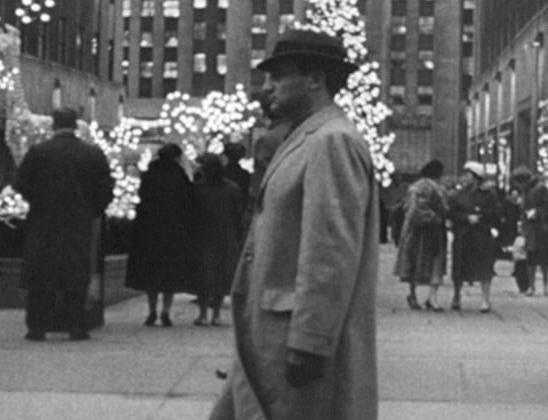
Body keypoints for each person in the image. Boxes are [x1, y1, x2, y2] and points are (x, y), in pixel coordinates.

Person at [209, 29, 379, 420]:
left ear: (316, 79)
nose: (266, 88)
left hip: (292, 343)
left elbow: (330, 248)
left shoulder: (331, 141)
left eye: (277, 76)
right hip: (267, 336)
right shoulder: (304, 137)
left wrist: (311, 340)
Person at [14, 107, 113, 341]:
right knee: (75, 274)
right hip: (78, 222)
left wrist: (37, 201)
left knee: (41, 274)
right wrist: (91, 210)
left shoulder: (39, 152)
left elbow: (20, 182)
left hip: (43, 221)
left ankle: (37, 326)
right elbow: (106, 189)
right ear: (76, 124)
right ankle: (76, 325)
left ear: (53, 125)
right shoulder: (92, 154)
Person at [126, 143, 196, 327]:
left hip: (149, 228)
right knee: (169, 272)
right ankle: (166, 310)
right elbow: (188, 201)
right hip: (172, 229)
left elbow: (142, 198)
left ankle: (151, 310)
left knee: (151, 271)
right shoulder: (179, 176)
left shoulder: (149, 175)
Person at [192, 153, 244, 326]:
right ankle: (216, 313)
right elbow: (238, 213)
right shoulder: (231, 188)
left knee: (203, 273)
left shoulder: (198, 189)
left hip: (203, 233)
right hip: (225, 233)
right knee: (221, 273)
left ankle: (203, 313)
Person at [394, 159, 449, 311]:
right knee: (435, 263)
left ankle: (414, 295)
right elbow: (418, 210)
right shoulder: (434, 189)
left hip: (415, 231)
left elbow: (412, 209)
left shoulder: (416, 188)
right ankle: (431, 298)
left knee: (414, 262)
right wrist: (436, 218)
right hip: (430, 231)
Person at [448, 161, 501, 312]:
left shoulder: (489, 194)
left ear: (476, 177)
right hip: (463, 234)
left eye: (468, 175)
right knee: (459, 267)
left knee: (485, 267)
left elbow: (496, 213)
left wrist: (481, 216)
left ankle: (485, 298)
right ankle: (456, 296)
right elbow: (451, 212)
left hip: (482, 234)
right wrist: (465, 217)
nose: (465, 178)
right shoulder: (459, 194)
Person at [511, 166, 548, 297]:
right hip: (531, 229)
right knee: (531, 258)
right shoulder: (527, 190)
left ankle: (543, 286)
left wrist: (537, 212)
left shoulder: (540, 188)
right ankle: (533, 286)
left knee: (542, 258)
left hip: (541, 229)